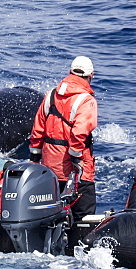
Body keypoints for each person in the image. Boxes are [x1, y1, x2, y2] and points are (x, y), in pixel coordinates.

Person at [28, 56, 98, 218]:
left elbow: (38, 128)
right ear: (91, 75)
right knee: (83, 216)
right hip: (77, 171)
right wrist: (75, 158)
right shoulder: (87, 100)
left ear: (70, 72)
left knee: (52, 214)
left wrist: (35, 157)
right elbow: (79, 132)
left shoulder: (51, 95)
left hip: (49, 168)